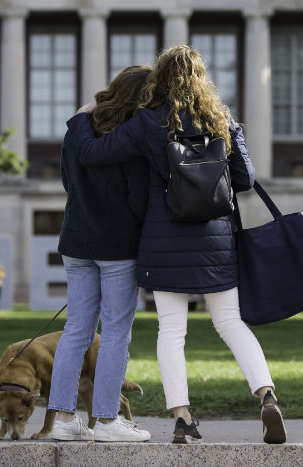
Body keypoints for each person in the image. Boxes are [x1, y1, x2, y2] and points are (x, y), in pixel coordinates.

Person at [66, 45, 287, 445]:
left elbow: (92, 153)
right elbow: (246, 180)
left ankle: (183, 418)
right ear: (202, 78)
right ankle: (266, 392)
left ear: (161, 78)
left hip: (164, 238)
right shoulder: (222, 120)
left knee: (171, 330)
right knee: (230, 323)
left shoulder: (148, 123)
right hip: (216, 241)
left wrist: (81, 119)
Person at [47, 66, 153, 443]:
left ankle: (62, 419)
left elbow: (66, 180)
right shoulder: (132, 139)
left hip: (76, 240)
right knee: (115, 334)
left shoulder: (77, 132)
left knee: (76, 330)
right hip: (117, 246)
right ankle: (107, 421)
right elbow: (138, 199)